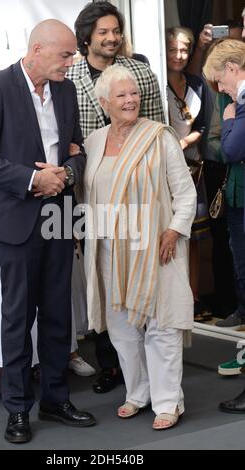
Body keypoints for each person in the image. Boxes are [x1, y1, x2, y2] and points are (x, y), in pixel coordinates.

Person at [0, 19, 96, 443]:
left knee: (60, 315)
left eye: (73, 54)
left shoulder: (67, 90)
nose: (71, 62)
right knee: (17, 319)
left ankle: (56, 401)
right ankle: (18, 409)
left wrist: (67, 176)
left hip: (59, 216)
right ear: (37, 50)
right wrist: (31, 179)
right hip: (14, 220)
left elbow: (77, 148)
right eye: (65, 55)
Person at [82, 64, 196, 429]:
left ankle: (168, 402)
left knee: (160, 325)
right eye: (121, 95)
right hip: (109, 250)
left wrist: (174, 231)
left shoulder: (159, 137)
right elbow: (87, 194)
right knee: (122, 329)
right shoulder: (94, 141)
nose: (131, 100)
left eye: (134, 94)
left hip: (156, 247)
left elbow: (186, 193)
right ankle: (138, 392)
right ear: (104, 102)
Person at [67, 0, 165, 394]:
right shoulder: (70, 77)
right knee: (105, 281)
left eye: (115, 30)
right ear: (86, 36)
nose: (111, 38)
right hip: (95, 194)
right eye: (103, 31)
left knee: (142, 278)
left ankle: (150, 369)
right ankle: (113, 367)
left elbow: (159, 129)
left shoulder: (140, 70)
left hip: (141, 195)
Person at [203, 37, 245, 413]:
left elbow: (230, 149)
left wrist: (231, 125)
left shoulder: (238, 103)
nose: (219, 89)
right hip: (236, 198)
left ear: (231, 68)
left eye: (220, 80)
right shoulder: (233, 99)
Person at [166, 27, 210, 321]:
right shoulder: (155, 83)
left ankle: (193, 299)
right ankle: (175, 300)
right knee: (171, 236)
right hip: (167, 173)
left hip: (194, 169)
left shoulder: (196, 83)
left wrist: (186, 142)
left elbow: (204, 126)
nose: (179, 56)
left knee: (195, 239)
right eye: (172, 50)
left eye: (184, 50)